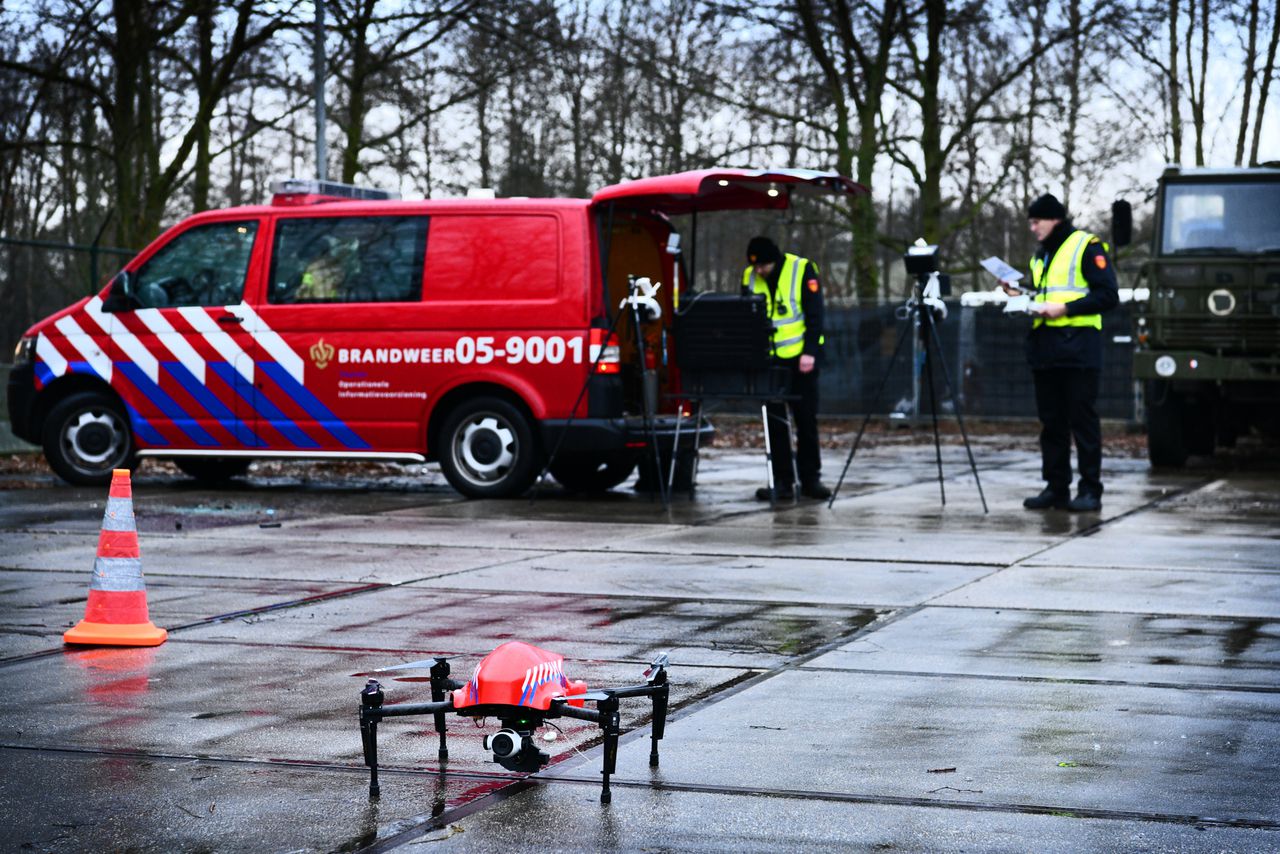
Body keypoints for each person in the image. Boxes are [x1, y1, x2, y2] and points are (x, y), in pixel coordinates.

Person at [1004, 194, 1119, 512]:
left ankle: (1090, 490)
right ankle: (1056, 488)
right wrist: (1019, 292)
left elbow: (1108, 295)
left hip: (1080, 348)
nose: (1032, 228)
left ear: (1054, 219)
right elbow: (1045, 294)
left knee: (1082, 421)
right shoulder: (1042, 254)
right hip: (1046, 349)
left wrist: (1066, 309)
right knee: (1051, 423)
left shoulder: (1086, 245)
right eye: (1030, 222)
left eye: (1036, 221)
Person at [742, 236, 830, 501]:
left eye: (763, 266)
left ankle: (810, 479)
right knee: (775, 423)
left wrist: (810, 352)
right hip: (770, 360)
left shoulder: (801, 269)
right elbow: (747, 313)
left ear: (774, 260)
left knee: (805, 420)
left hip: (801, 359)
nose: (759, 271)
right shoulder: (750, 275)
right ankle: (782, 481)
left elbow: (815, 314)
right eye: (755, 266)